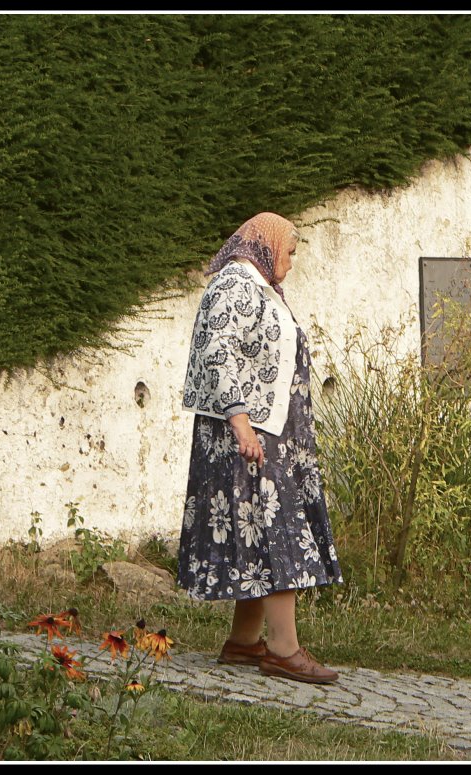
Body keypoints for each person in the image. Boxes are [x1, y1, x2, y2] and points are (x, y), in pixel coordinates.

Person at [178, 212, 343, 685]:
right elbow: (220, 351)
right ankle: (284, 650)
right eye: (289, 252)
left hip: (264, 433)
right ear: (268, 245)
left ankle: (245, 642)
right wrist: (241, 425)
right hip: (247, 436)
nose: (291, 264)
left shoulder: (259, 284)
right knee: (278, 532)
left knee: (257, 533)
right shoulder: (235, 284)